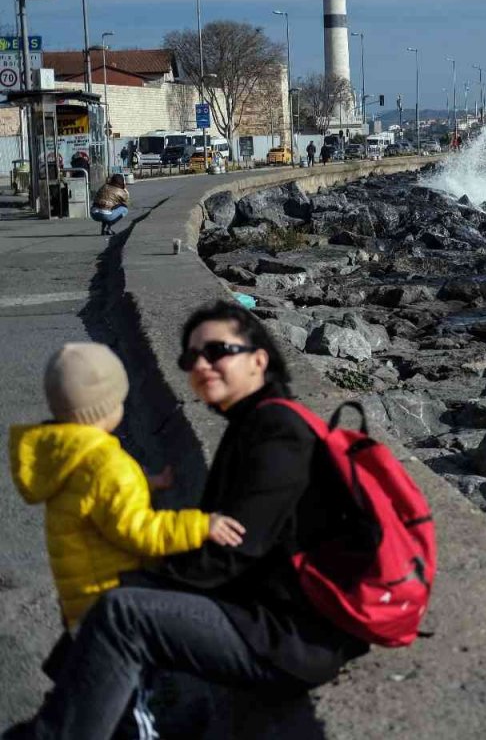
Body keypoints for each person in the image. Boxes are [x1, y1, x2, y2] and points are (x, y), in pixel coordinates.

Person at [10, 303, 369, 739]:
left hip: (290, 634)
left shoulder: (278, 435)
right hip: (264, 612)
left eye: (217, 351)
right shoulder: (252, 422)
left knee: (122, 609)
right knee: (119, 602)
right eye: (190, 357)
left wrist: (150, 572)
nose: (200, 365)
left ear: (259, 359)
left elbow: (236, 552)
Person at [9, 343, 246, 738]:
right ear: (105, 409)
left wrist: (146, 482)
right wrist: (200, 525)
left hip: (79, 596)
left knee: (103, 690)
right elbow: (140, 532)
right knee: (128, 691)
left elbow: (92, 498)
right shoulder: (107, 465)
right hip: (110, 597)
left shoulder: (67, 454)